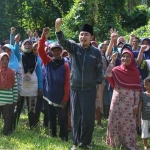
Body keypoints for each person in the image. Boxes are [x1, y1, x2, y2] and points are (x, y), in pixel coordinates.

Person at [55, 18, 103, 150]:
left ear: (91, 37)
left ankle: (85, 142)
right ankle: (75, 143)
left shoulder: (96, 52)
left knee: (88, 117)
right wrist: (58, 29)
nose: (83, 37)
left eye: (86, 34)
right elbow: (63, 42)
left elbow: (99, 73)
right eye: (81, 34)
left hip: (89, 89)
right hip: (75, 88)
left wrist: (98, 92)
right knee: (76, 116)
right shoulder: (74, 48)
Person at [38, 28, 70, 141]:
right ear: (51, 52)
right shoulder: (48, 61)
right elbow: (40, 50)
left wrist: (65, 98)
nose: (56, 52)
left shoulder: (65, 65)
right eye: (53, 50)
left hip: (60, 96)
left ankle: (64, 136)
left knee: (62, 118)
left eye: (58, 50)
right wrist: (43, 37)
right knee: (51, 116)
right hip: (48, 95)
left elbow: (67, 83)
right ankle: (52, 134)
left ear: (61, 52)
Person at [106, 49, 142, 149]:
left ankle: (128, 143)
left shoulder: (135, 71)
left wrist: (135, 104)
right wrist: (113, 60)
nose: (125, 58)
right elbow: (108, 74)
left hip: (129, 101)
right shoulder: (116, 69)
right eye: (123, 56)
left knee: (128, 122)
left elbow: (137, 90)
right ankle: (115, 143)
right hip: (116, 100)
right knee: (114, 120)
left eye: (128, 56)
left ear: (132, 58)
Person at [14, 39, 43, 129]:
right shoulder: (19, 57)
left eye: (29, 44)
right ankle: (14, 126)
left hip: (32, 87)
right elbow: (15, 51)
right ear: (22, 46)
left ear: (32, 46)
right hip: (21, 86)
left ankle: (32, 127)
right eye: (25, 44)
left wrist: (40, 87)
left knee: (32, 108)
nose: (27, 45)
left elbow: (39, 74)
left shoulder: (36, 58)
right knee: (17, 108)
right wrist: (16, 41)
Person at [0, 53, 18, 135]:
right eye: (2, 59)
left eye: (6, 59)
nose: (4, 61)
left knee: (8, 118)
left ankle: (7, 133)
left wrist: (15, 100)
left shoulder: (12, 72)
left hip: (8, 100)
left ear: (8, 60)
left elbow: (15, 87)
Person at [138, 77, 150, 150]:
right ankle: (145, 146)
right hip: (144, 117)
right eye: (145, 85)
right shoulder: (142, 95)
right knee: (144, 131)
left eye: (148, 84)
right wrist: (139, 117)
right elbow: (140, 107)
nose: (146, 86)